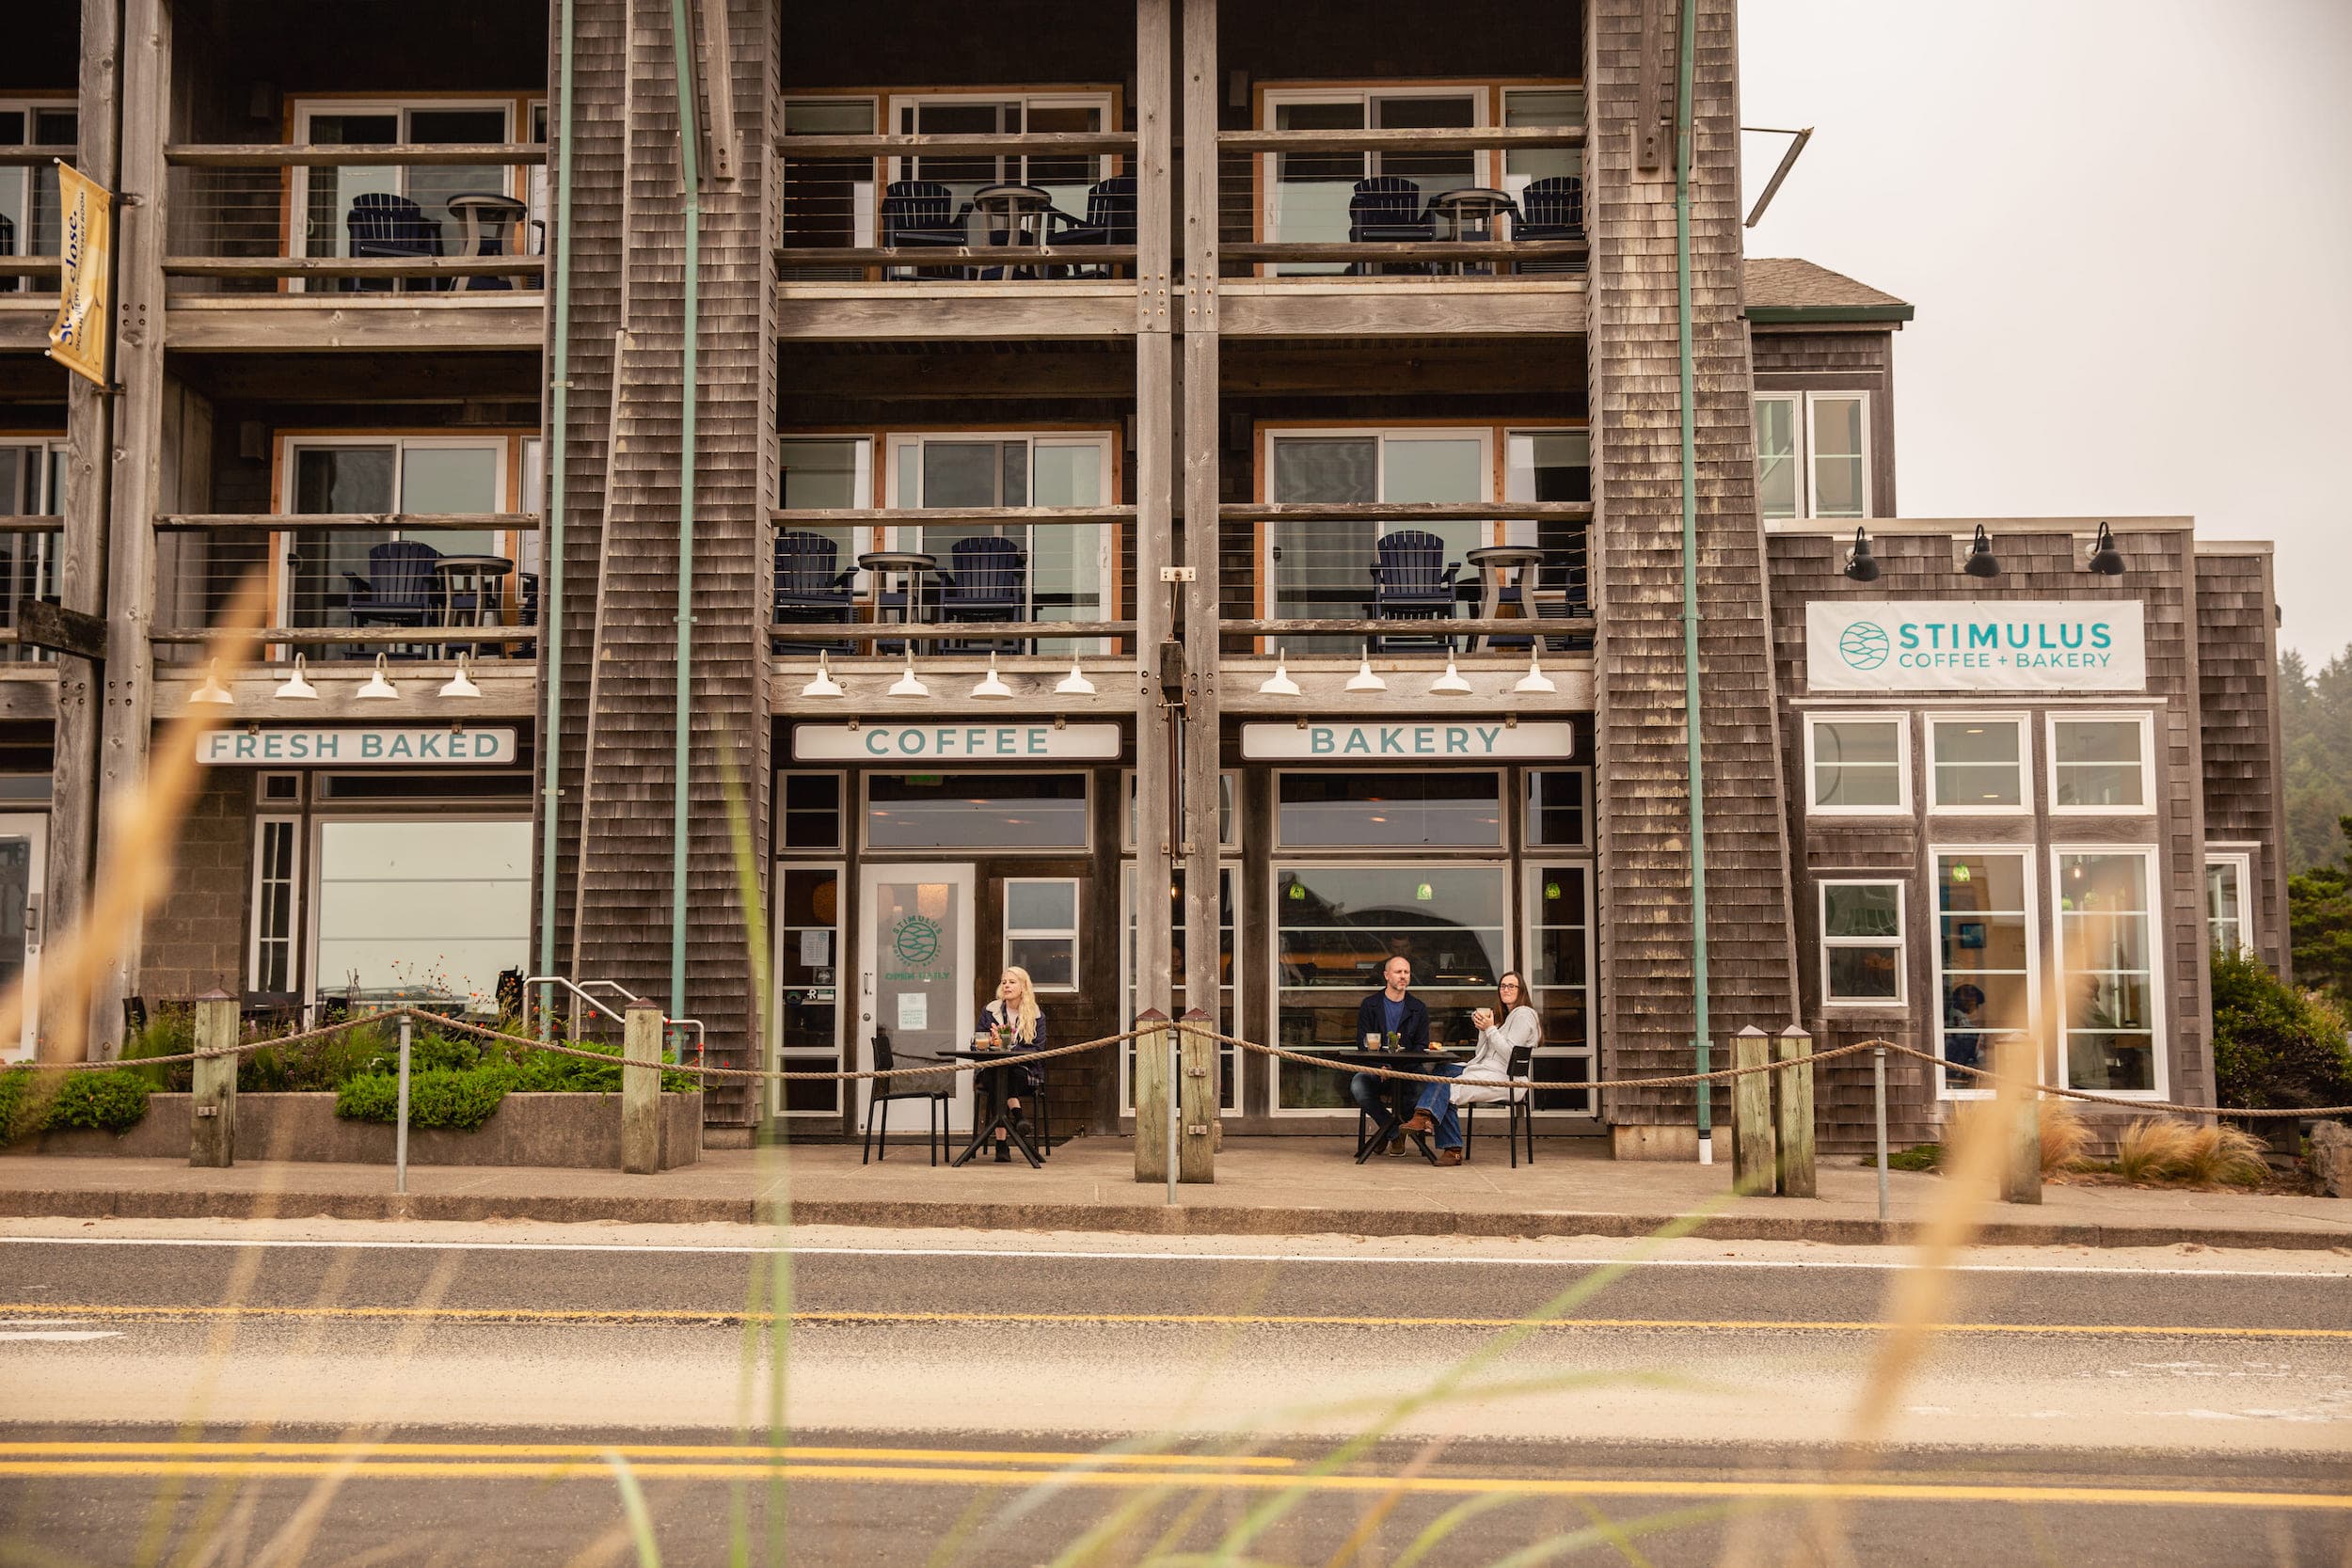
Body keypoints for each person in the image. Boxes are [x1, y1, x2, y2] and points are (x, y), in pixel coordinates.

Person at [1401, 971, 1539, 1166]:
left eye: (1511, 986)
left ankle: (1449, 1145)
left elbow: (1510, 1055)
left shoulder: (1524, 1014)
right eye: (1502, 986)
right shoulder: (1505, 1017)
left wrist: (1490, 1029)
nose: (1505, 990)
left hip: (1505, 1079)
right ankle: (1424, 1116)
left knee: (1445, 1087)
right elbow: (1480, 1054)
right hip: (1483, 1069)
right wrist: (1483, 1030)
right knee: (1443, 1070)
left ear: (1521, 990)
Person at [1349, 954, 1433, 1155]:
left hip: (1407, 1072)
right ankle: (1393, 1131)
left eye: (1406, 972)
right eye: (1398, 972)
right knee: (1358, 1084)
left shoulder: (1418, 1008)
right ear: (1386, 975)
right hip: (1376, 1071)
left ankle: (1385, 1132)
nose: (1403, 976)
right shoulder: (1370, 1005)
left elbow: (1421, 1046)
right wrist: (1380, 1068)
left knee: (1425, 1089)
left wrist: (1399, 1069)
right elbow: (1362, 1043)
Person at [977, 966, 1046, 1162]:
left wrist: (1007, 1047)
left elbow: (1038, 1050)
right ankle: (1018, 1117)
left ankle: (1001, 1145)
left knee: (1005, 1078)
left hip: (1024, 1072)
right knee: (994, 1075)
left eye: (1012, 982)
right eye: (1004, 982)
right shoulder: (990, 1011)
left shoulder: (1036, 1015)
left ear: (1024, 986)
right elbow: (976, 1044)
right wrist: (990, 1043)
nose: (1006, 985)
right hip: (992, 1070)